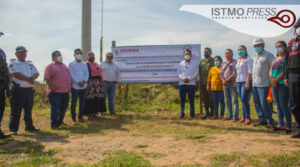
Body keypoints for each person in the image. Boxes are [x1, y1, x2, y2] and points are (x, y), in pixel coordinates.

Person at [9, 46, 40, 135]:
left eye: (24, 52)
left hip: (29, 90)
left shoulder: (29, 63)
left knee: (28, 110)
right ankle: (13, 130)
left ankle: (29, 127)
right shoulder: (13, 63)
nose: (23, 54)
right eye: (21, 52)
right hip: (18, 90)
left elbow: (36, 73)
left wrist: (32, 78)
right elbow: (16, 74)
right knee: (16, 111)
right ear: (16, 54)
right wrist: (28, 79)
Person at [44, 51, 71, 129]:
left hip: (65, 91)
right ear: (53, 58)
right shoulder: (50, 66)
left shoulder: (64, 66)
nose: (60, 57)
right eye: (58, 55)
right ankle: (54, 124)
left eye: (60, 55)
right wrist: (51, 86)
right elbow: (47, 78)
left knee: (63, 108)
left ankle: (60, 122)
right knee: (55, 109)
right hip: (55, 92)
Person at [269, 41, 291, 134]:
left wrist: (276, 80)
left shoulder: (286, 58)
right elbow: (270, 70)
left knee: (284, 105)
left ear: (285, 48)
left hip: (282, 83)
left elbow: (285, 71)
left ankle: (288, 126)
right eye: (276, 46)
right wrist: (272, 79)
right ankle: (280, 123)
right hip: (274, 84)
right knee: (277, 105)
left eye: (280, 46)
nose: (278, 48)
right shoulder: (275, 58)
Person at [252, 38, 274, 128]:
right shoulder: (255, 57)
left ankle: (269, 120)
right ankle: (262, 119)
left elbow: (273, 67)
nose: (256, 47)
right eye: (255, 46)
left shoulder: (268, 55)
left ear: (263, 46)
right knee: (257, 102)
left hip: (265, 84)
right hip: (255, 84)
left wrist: (272, 80)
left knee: (265, 103)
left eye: (258, 45)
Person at [284, 18, 300, 138]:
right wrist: (286, 76)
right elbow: (287, 62)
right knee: (294, 103)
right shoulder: (291, 43)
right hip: (293, 74)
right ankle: (299, 128)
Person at [68, 48, 89, 124]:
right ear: (74, 55)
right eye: (77, 53)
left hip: (83, 86)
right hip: (75, 87)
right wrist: (78, 82)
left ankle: (80, 117)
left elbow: (87, 74)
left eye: (80, 53)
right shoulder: (71, 64)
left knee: (82, 103)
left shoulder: (84, 64)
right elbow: (71, 74)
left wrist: (84, 81)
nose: (79, 55)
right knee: (74, 103)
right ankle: (73, 119)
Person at [177, 49, 198, 119]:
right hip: (182, 84)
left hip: (191, 84)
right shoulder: (180, 64)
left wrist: (189, 78)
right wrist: (183, 79)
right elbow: (178, 73)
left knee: (191, 100)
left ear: (191, 55)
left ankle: (192, 115)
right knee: (182, 100)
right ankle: (181, 114)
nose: (187, 55)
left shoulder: (194, 64)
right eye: (186, 54)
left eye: (188, 54)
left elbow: (196, 73)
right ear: (183, 55)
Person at [85, 52, 106, 119]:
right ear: (87, 57)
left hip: (98, 82)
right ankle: (89, 114)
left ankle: (95, 113)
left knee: (97, 97)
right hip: (91, 82)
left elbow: (100, 73)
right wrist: (87, 84)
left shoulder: (96, 64)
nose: (92, 57)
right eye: (90, 56)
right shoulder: (86, 64)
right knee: (91, 97)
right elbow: (86, 74)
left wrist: (102, 82)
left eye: (93, 55)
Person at [235, 45, 253, 125]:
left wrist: (248, 83)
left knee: (244, 99)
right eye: (238, 50)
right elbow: (237, 72)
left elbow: (250, 71)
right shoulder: (239, 60)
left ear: (245, 50)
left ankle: (248, 117)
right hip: (238, 81)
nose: (240, 51)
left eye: (241, 49)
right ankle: (243, 116)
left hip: (245, 81)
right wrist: (235, 81)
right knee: (242, 100)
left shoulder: (248, 59)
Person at [220, 49, 239, 121]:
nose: (227, 54)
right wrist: (223, 80)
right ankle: (229, 115)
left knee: (235, 99)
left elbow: (235, 73)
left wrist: (227, 80)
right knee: (227, 100)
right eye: (225, 53)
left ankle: (235, 116)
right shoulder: (223, 63)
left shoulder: (235, 62)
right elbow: (221, 73)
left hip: (232, 83)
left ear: (232, 54)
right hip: (224, 83)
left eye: (228, 53)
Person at [0, 32, 12, 138]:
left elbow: (5, 65)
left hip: (2, 85)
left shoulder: (2, 52)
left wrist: (9, 75)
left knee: (1, 107)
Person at [199, 47, 214, 119]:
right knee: (204, 97)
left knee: (211, 98)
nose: (205, 53)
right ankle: (206, 112)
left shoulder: (213, 61)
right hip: (202, 83)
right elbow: (199, 71)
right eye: (204, 52)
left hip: (211, 83)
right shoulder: (201, 61)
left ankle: (212, 112)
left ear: (210, 53)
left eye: (207, 52)